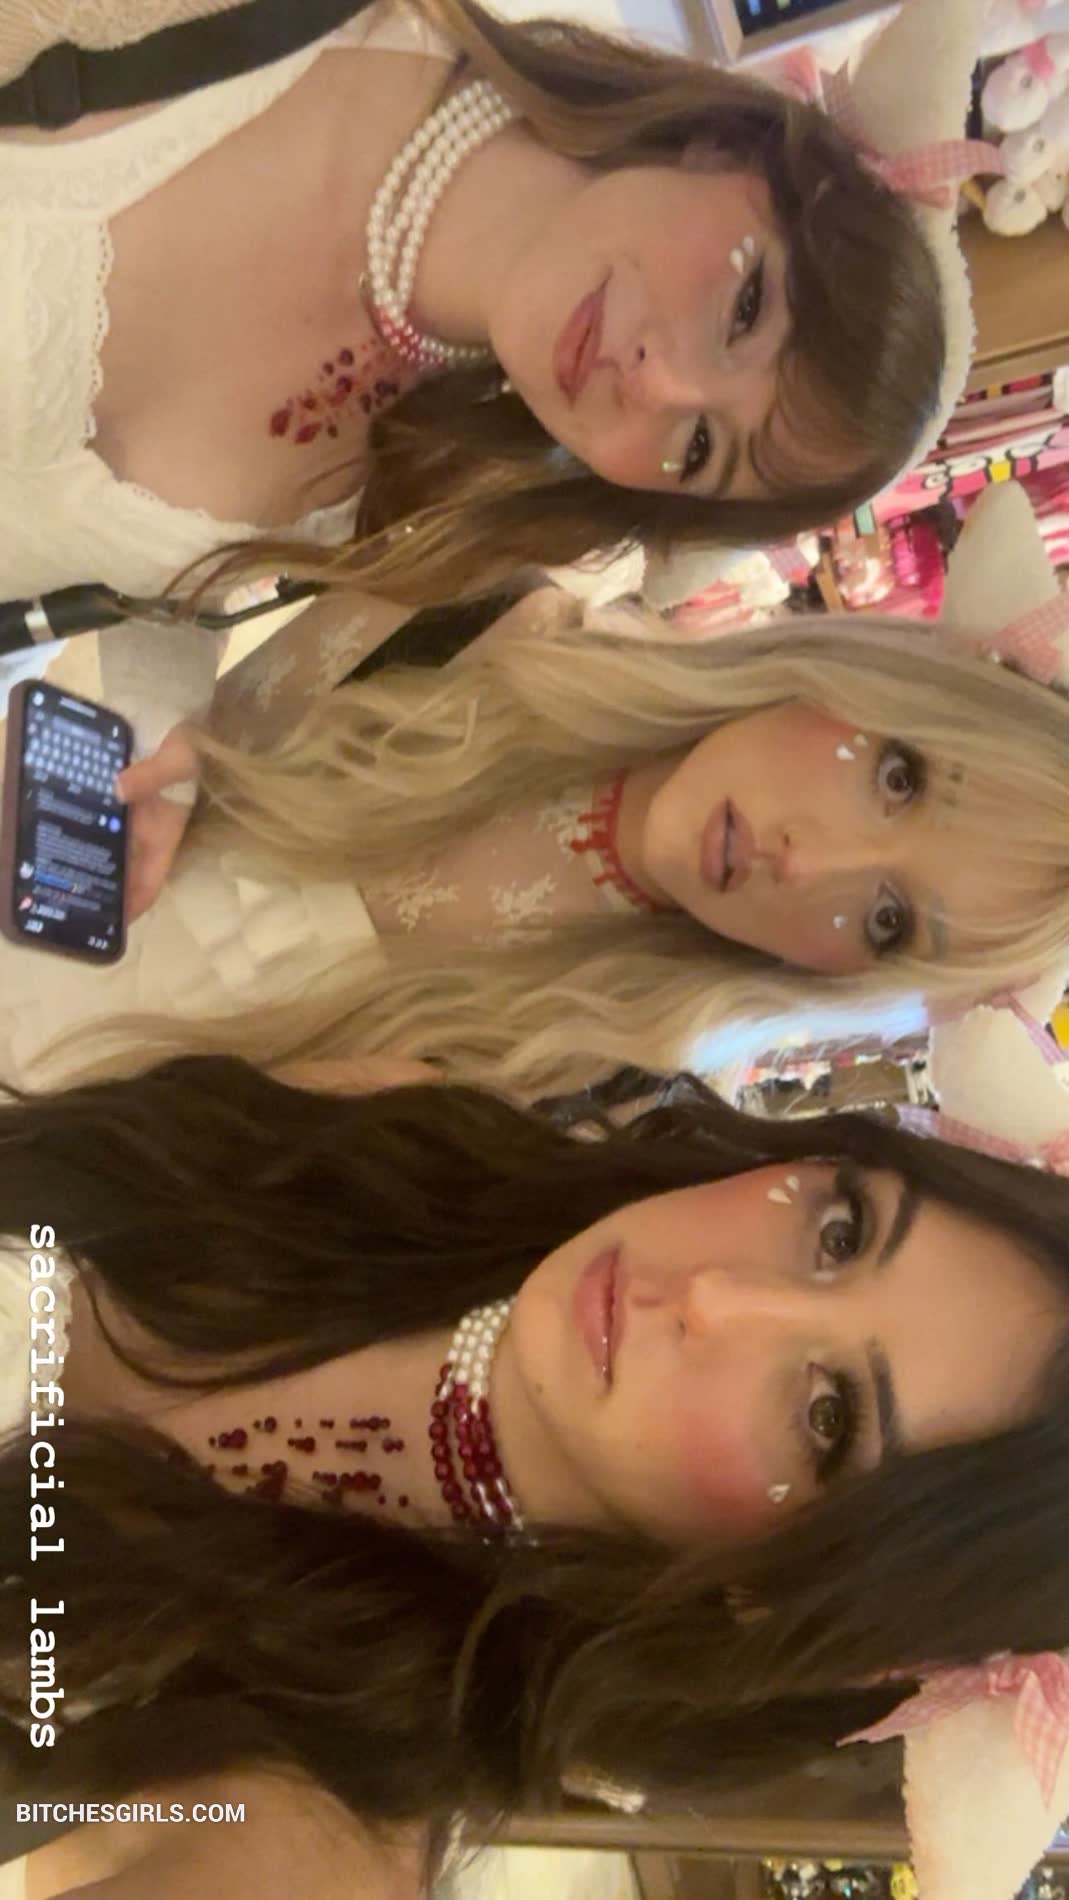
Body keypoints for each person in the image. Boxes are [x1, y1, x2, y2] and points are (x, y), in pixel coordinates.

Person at [2, 1055, 1069, 1900]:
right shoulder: (405, 1136)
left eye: (826, 1418)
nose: (715, 1297)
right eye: (839, 1232)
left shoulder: (330, 1790)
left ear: (780, 1593)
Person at [0, 0, 991, 898]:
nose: (656, 386)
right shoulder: (286, 30)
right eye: (744, 307)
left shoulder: (420, 469)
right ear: (730, 146)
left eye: (699, 447)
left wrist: (152, 732)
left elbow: (167, 582)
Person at [4, 482, 1067, 1102]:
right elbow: (177, 559)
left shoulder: (591, 1088)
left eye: (887, 919)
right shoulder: (481, 611)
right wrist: (148, 720)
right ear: (869, 679)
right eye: (897, 777)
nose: (811, 862)